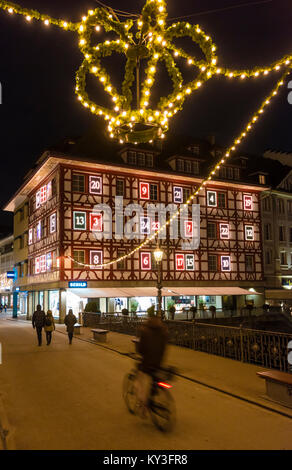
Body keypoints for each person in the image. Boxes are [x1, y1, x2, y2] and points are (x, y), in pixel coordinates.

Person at [135, 310, 168, 417]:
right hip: (159, 363)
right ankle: (154, 394)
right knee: (154, 379)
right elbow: (164, 346)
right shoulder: (163, 330)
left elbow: (141, 349)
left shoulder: (145, 331)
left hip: (147, 363)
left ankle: (143, 405)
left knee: (140, 380)